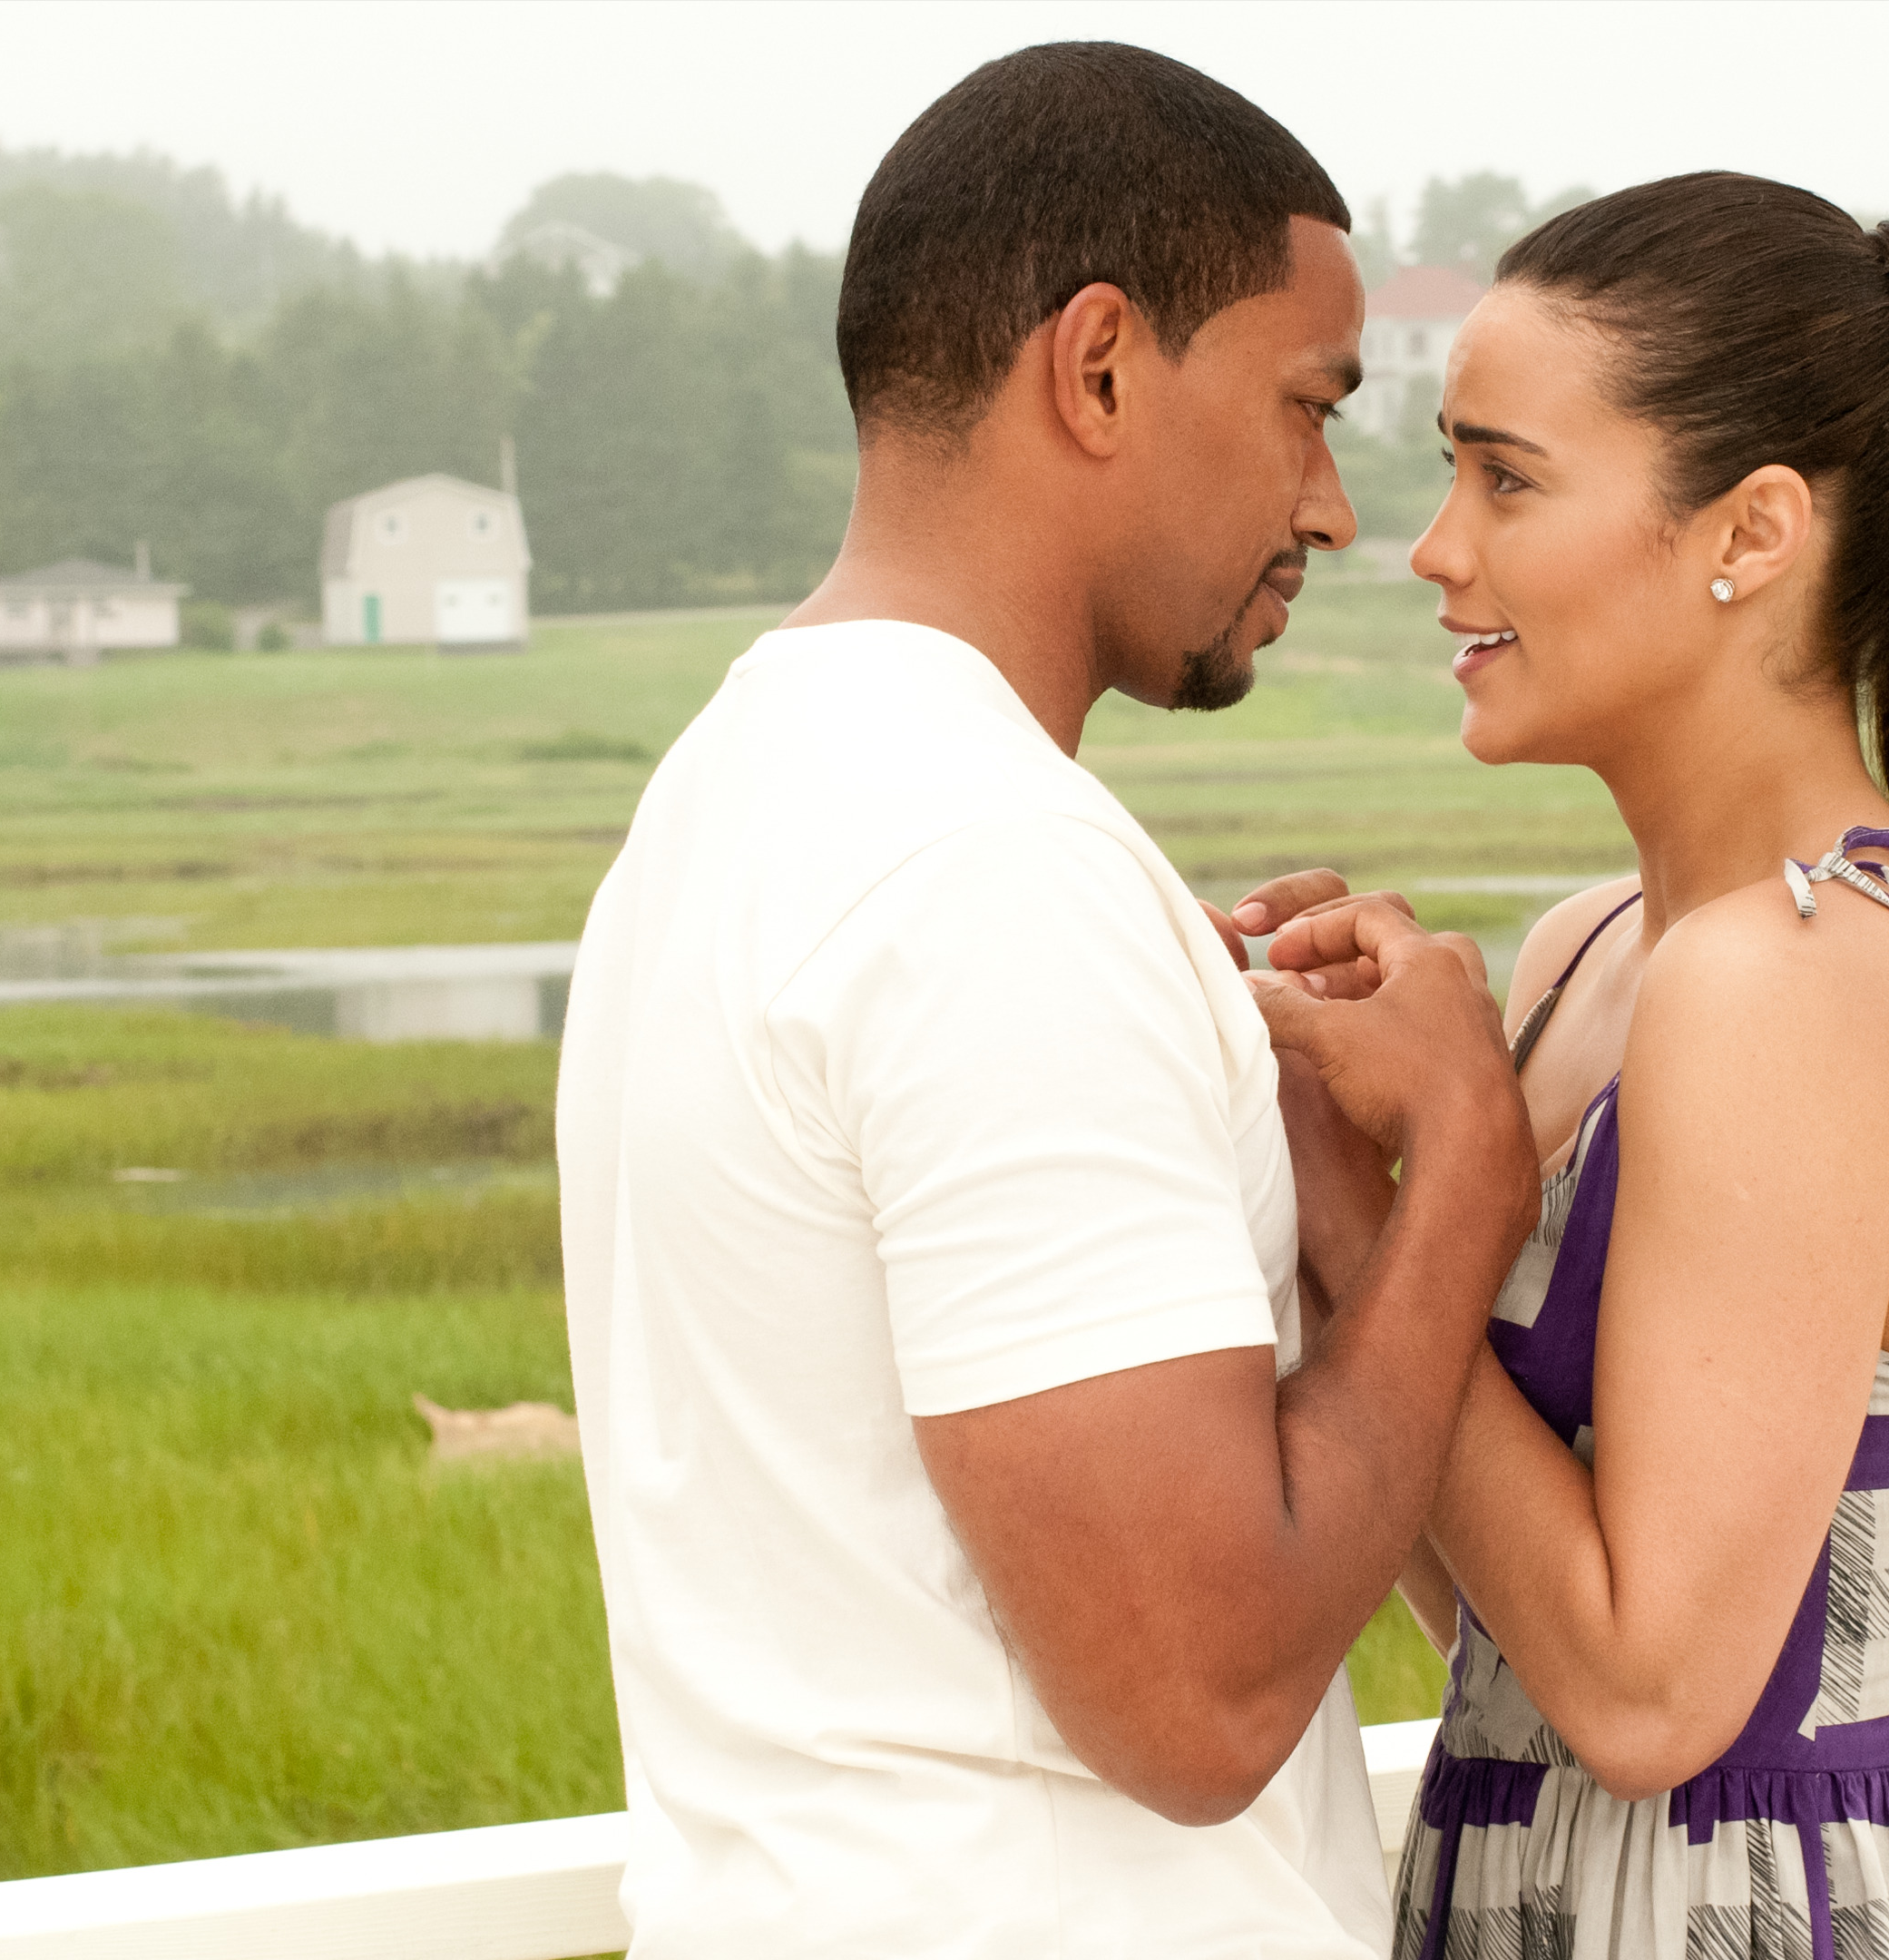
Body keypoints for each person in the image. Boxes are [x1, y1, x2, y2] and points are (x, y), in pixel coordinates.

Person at [555, 42, 1538, 1960]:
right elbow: (1195, 1701)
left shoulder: (727, 797)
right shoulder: (986, 869)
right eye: (1306, 409)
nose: (1334, 513)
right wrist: (1470, 1182)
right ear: (1097, 368)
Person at [1234, 172, 1889, 1959]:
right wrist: (1358, 1132)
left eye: (1507, 477)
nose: (1432, 547)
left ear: (1753, 529)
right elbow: (1501, 1616)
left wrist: (1359, 1200)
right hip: (1565, 1885)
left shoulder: (1789, 979)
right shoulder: (1599, 953)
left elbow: (1647, 1701)